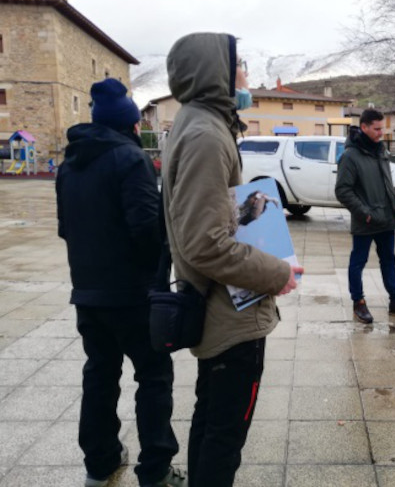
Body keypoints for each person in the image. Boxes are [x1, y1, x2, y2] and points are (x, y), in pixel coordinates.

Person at [163, 32, 303, 487]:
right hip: (230, 317)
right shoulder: (206, 134)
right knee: (224, 436)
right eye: (239, 63)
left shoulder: (199, 123)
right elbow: (204, 243)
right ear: (216, 72)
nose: (246, 73)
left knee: (212, 422)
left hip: (220, 312)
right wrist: (276, 273)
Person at [56, 78, 184, 487]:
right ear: (130, 124)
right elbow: (146, 228)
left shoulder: (69, 164)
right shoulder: (130, 159)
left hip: (88, 293)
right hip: (133, 296)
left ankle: (100, 462)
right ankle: (156, 468)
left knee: (99, 375)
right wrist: (156, 274)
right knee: (153, 377)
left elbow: (64, 229)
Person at [335, 108, 395, 323]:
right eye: (376, 129)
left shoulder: (381, 151)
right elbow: (343, 191)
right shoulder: (350, 156)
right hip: (366, 220)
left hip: (386, 219)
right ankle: (359, 303)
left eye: (382, 128)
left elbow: (385, 184)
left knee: (388, 261)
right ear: (363, 127)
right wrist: (364, 213)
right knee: (358, 262)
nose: (381, 132)